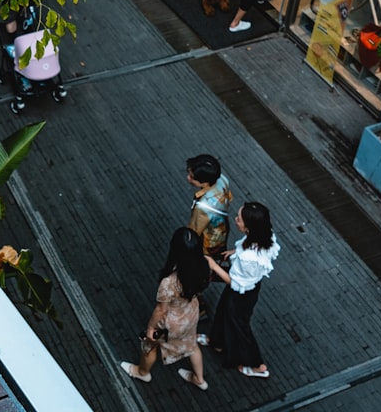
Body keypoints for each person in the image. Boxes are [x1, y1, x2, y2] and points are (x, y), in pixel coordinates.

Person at [120, 227, 211, 390]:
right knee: (191, 345)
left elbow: (161, 310)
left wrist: (150, 329)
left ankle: (142, 372)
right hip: (190, 314)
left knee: (149, 345)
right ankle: (199, 379)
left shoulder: (169, 283)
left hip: (170, 323)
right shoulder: (204, 265)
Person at [202, 202, 280, 379]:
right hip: (248, 287)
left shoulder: (248, 258)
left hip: (242, 291)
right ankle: (217, 341)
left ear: (249, 228)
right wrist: (234, 252)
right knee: (224, 311)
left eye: (239, 219)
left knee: (239, 325)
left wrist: (213, 265)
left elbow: (234, 281)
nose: (236, 220)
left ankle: (257, 364)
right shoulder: (264, 237)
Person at [186, 154, 235, 262]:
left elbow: (195, 231)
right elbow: (229, 198)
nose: (188, 178)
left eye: (192, 177)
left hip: (210, 240)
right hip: (221, 228)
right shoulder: (222, 179)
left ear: (204, 182)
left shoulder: (203, 208)